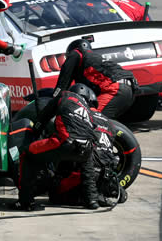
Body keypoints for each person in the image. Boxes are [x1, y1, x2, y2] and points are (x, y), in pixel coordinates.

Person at [13, 83, 99, 211]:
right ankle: (92, 200)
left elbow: (44, 118)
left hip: (64, 143)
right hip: (86, 147)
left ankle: (25, 201)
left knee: (27, 153)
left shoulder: (63, 96)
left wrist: (35, 133)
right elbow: (93, 127)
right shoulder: (87, 109)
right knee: (87, 164)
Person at [50, 38, 136, 119]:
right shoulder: (95, 59)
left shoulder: (76, 53)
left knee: (88, 119)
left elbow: (62, 84)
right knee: (104, 123)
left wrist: (52, 102)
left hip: (115, 89)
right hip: (130, 89)